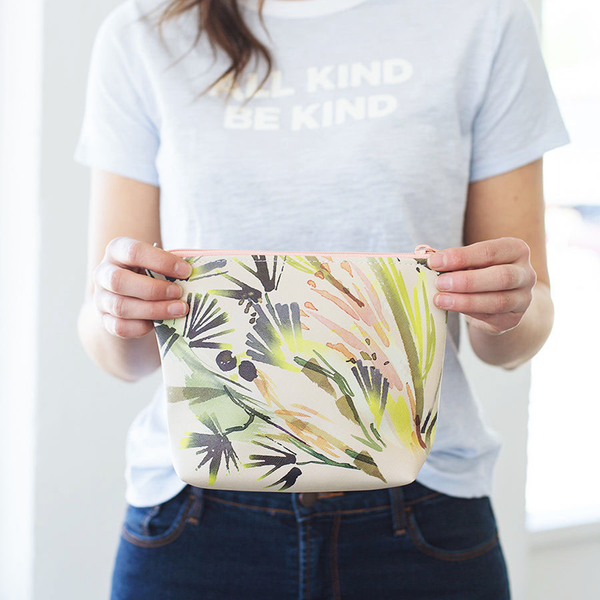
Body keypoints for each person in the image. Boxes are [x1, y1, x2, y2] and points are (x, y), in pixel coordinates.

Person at [73, 0, 570, 598]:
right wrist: (118, 308)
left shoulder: (484, 21)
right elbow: (116, 351)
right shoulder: (144, 35)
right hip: (197, 519)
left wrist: (508, 305)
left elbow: (520, 327)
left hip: (422, 516)